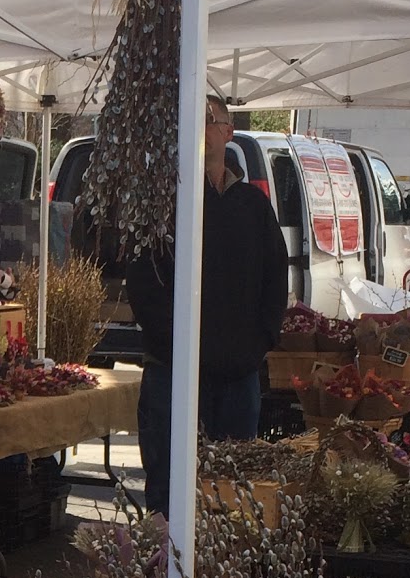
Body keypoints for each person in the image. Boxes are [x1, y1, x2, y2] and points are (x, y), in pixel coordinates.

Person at [124, 95, 289, 519]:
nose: (197, 129)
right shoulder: (163, 205)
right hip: (173, 374)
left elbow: (276, 278)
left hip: (238, 379)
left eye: (207, 120)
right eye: (188, 121)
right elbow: (143, 284)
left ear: (228, 132)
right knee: (168, 494)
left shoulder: (252, 205)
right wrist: (176, 346)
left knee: (232, 495)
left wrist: (260, 343)